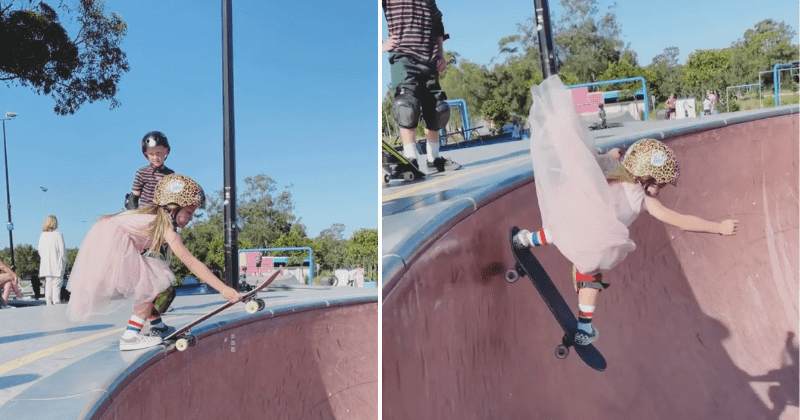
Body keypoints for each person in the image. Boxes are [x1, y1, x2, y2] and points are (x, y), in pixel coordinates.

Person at [514, 76, 738, 346]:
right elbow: (679, 219)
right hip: (594, 245)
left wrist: (610, 154)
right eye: (660, 185)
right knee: (592, 276)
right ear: (646, 178)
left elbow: (588, 161)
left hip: (572, 224)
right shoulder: (646, 201)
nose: (660, 191)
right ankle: (585, 328)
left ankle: (526, 240)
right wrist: (718, 227)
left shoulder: (615, 171)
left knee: (564, 224)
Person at [67, 174, 243, 351]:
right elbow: (192, 263)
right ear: (173, 208)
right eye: (189, 212)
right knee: (153, 279)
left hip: (107, 238)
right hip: (111, 243)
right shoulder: (166, 229)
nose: (191, 218)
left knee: (159, 277)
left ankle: (157, 325)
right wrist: (224, 289)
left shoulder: (156, 221)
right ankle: (130, 336)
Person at [382, 0, 461, 173]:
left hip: (430, 59)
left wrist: (440, 54)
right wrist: (380, 45)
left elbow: (438, 23)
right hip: (402, 57)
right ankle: (410, 159)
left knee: (437, 108)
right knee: (406, 105)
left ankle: (434, 159)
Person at [126, 131, 178, 338]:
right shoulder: (141, 173)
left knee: (163, 279)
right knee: (158, 281)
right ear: (146, 155)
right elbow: (132, 199)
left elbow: (176, 201)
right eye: (151, 154)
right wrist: (135, 222)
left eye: (159, 152)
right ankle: (142, 327)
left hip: (164, 226)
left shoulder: (171, 175)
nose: (156, 157)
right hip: (146, 226)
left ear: (166, 152)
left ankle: (156, 321)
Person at [38, 215, 67, 305]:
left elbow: (40, 250)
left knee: (48, 284)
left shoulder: (42, 236)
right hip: (57, 264)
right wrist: (65, 261)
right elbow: (62, 251)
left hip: (46, 265)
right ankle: (56, 303)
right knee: (56, 286)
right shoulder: (58, 235)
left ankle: (48, 303)